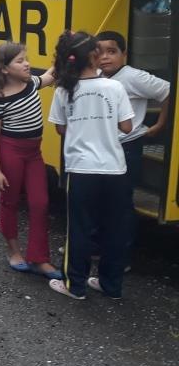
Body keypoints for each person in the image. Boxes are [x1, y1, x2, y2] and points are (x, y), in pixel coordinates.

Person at [47, 31, 134, 301]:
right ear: (95, 56)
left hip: (81, 170)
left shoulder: (64, 90)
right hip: (115, 169)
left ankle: (76, 285)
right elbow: (127, 126)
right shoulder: (114, 87)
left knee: (80, 229)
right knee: (114, 229)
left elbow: (61, 129)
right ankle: (111, 285)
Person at [0, 42, 60, 278]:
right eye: (20, 61)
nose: (27, 64)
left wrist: (63, 51)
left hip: (34, 152)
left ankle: (40, 258)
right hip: (11, 151)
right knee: (9, 200)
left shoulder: (31, 83)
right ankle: (14, 251)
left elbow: (50, 75)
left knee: (40, 202)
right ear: (4, 69)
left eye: (26, 59)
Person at [96, 30, 171, 253]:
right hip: (102, 147)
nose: (105, 57)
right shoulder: (96, 75)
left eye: (112, 51)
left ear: (124, 54)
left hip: (126, 148)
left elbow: (169, 91)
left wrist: (160, 124)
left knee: (121, 202)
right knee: (100, 200)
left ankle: (121, 252)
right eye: (99, 52)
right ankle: (98, 245)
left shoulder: (133, 77)